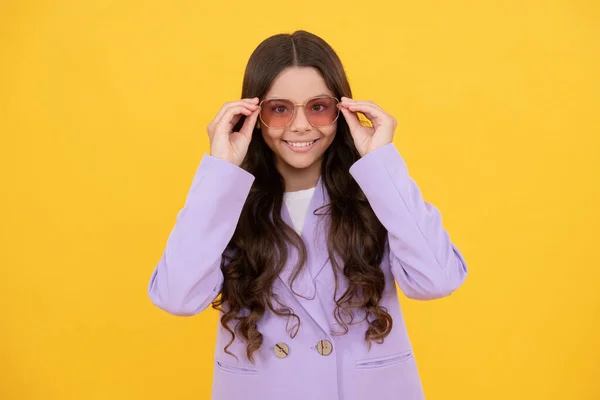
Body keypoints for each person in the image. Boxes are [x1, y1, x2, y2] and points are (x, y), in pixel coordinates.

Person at [148, 30, 468, 400]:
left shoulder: (377, 192)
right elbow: (176, 297)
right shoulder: (227, 200)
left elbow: (438, 279)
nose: (300, 125)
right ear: (254, 114)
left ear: (341, 110)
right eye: (279, 109)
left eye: (318, 107)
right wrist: (220, 172)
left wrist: (381, 162)